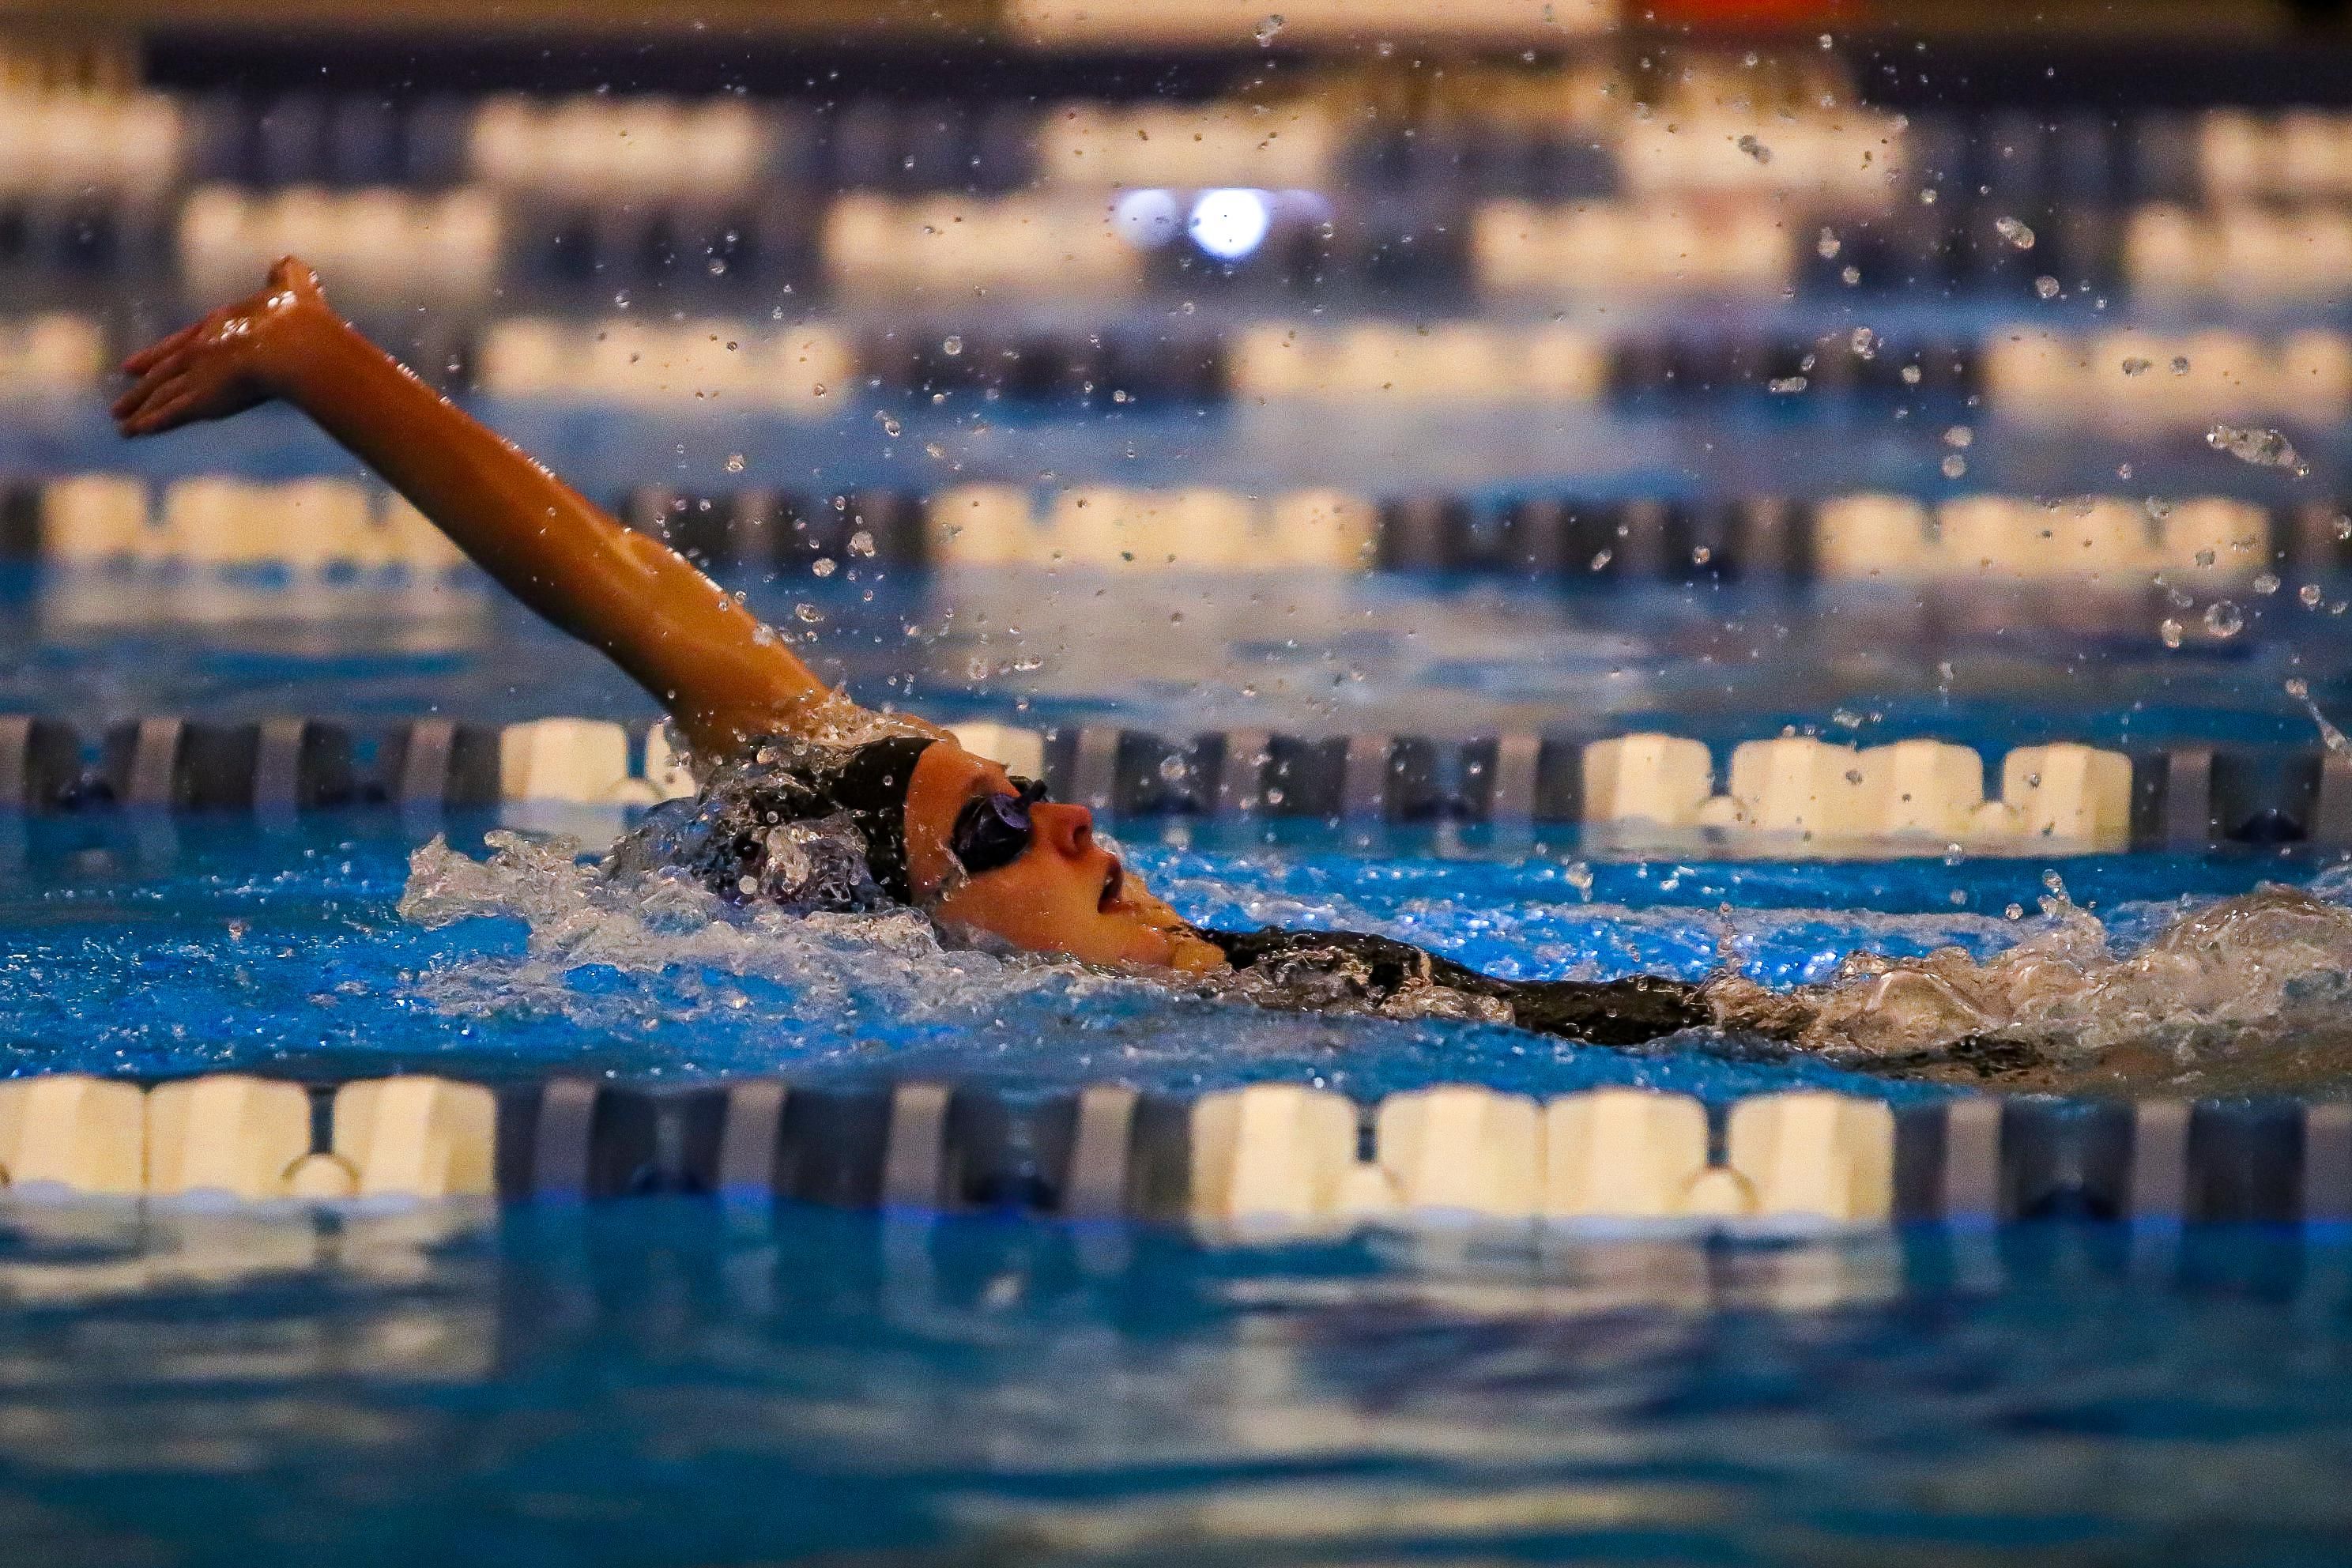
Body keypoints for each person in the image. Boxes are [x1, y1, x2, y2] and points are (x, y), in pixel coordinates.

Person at [112, 258, 1713, 1047]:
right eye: (1007, 832)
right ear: (907, 931)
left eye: (1029, 794)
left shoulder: (1330, 987)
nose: (1082, 818)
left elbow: (629, 598)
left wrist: (323, 359)